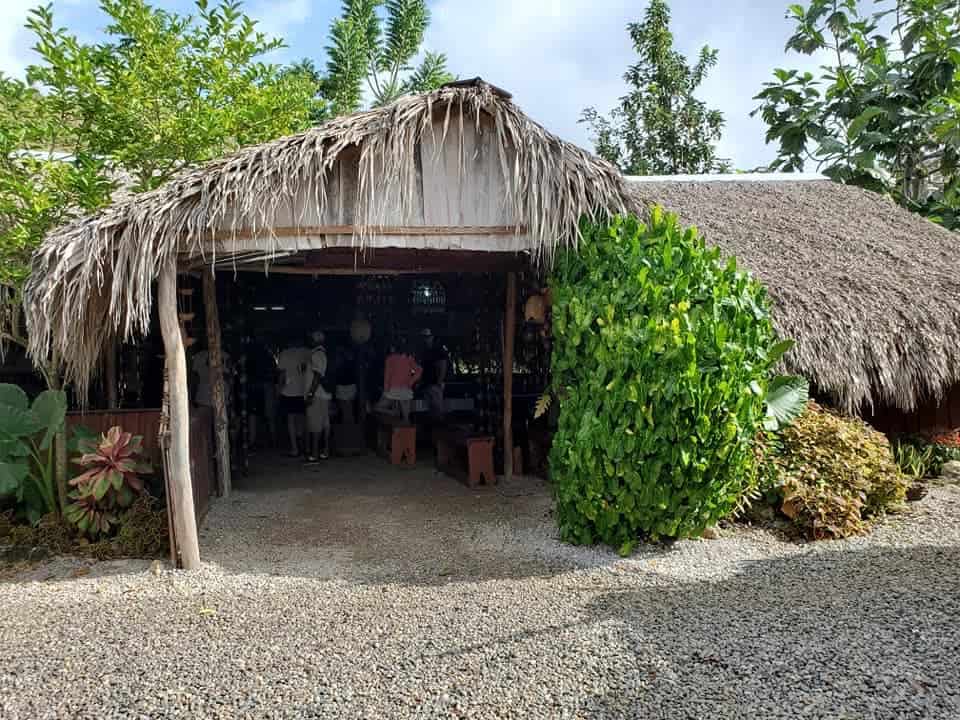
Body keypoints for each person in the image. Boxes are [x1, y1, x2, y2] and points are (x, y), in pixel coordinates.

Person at [374, 338, 422, 424]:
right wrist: (410, 382)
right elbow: (419, 370)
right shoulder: (409, 357)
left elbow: (387, 375)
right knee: (406, 420)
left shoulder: (390, 358)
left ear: (394, 347)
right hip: (405, 390)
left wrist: (385, 390)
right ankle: (407, 437)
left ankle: (392, 412)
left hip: (393, 389)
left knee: (377, 408)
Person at [277, 336, 309, 457]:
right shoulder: (306, 352)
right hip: (303, 390)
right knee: (302, 419)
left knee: (291, 420)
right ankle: (305, 446)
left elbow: (282, 374)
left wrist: (279, 389)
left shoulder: (284, 354)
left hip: (289, 391)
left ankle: (295, 448)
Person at [304, 330, 332, 462]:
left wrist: (310, 394)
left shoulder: (316, 354)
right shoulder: (324, 353)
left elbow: (317, 376)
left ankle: (314, 454)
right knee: (325, 424)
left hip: (317, 394)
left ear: (315, 340)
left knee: (315, 426)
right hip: (325, 395)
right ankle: (325, 451)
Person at [420, 328, 448, 420]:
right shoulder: (425, 351)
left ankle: (440, 429)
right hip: (427, 384)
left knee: (437, 408)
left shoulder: (438, 350)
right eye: (424, 337)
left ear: (432, 337)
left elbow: (442, 366)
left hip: (435, 384)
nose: (425, 339)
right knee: (431, 409)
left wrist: (439, 382)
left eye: (427, 337)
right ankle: (434, 428)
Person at [333, 343, 358, 424]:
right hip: (346, 385)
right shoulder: (344, 357)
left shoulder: (344, 357)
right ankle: (348, 426)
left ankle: (348, 426)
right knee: (346, 409)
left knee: (346, 409)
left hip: (347, 385)